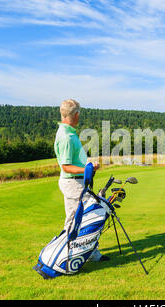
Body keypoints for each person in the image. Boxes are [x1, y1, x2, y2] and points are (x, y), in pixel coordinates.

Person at [54, 99, 109, 262]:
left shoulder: (68, 132)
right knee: (89, 214)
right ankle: (84, 252)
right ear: (76, 115)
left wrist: (88, 164)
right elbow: (66, 166)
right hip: (73, 184)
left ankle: (75, 252)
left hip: (75, 182)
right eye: (79, 114)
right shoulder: (66, 136)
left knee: (73, 219)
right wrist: (88, 169)